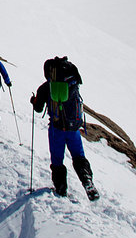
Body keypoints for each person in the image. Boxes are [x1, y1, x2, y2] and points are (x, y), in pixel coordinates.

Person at [31, 55, 98, 200]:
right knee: (79, 156)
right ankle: (87, 181)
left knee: (57, 160)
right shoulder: (73, 82)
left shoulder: (45, 87)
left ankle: (61, 189)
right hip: (73, 128)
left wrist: (33, 101)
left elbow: (38, 108)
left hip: (56, 129)